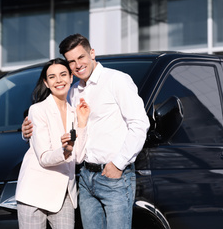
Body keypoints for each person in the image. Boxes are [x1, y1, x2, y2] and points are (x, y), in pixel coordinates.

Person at [22, 34, 150, 229]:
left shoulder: (117, 80)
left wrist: (117, 164)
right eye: (71, 61)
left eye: (81, 57)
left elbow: (139, 124)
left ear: (92, 53)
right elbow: (53, 127)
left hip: (113, 177)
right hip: (84, 179)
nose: (78, 64)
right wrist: (27, 132)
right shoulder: (72, 91)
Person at [16, 58, 90, 229]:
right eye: (52, 77)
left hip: (64, 193)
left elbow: (78, 158)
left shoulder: (75, 112)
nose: (59, 80)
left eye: (63, 75)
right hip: (34, 192)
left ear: (71, 78)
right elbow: (44, 158)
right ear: (46, 83)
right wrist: (65, 151)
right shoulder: (38, 110)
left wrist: (83, 123)